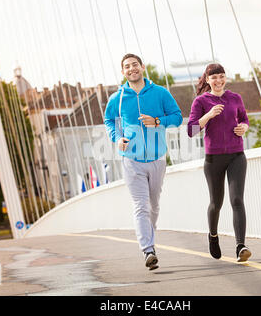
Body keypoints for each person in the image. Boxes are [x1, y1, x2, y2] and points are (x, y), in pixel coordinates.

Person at [104, 53, 183, 270]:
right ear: (123, 72)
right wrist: (116, 138)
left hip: (157, 158)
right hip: (131, 160)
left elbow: (177, 116)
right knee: (141, 205)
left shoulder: (159, 93)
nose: (132, 69)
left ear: (142, 67)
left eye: (135, 65)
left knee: (153, 205)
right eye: (127, 67)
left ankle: (149, 236)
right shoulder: (117, 98)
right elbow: (109, 121)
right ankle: (148, 250)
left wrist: (157, 121)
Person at [187, 63, 252, 262]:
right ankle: (213, 236)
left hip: (236, 156)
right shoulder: (201, 101)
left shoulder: (235, 98)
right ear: (207, 80)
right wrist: (208, 115)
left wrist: (244, 128)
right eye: (214, 77)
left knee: (237, 200)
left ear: (225, 78)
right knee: (216, 203)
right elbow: (191, 131)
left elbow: (244, 120)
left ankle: (241, 246)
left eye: (221, 76)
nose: (218, 81)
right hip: (214, 158)